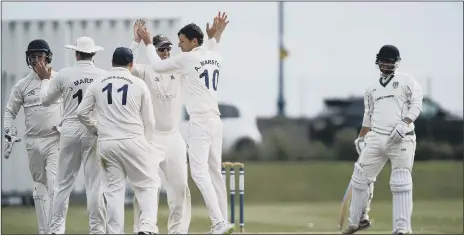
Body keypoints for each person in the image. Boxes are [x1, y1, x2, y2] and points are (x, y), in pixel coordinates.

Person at [129, 16, 228, 234]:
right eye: (161, 48)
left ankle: (179, 231)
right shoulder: (148, 69)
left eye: (170, 47)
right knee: (146, 187)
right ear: (155, 50)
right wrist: (137, 42)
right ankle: (144, 228)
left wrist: (212, 37)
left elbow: (199, 57)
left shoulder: (181, 65)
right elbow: (126, 67)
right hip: (152, 137)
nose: (167, 52)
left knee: (180, 189)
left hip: (174, 136)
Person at [76, 47, 163, 235]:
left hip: (107, 144)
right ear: (131, 64)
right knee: (148, 184)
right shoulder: (138, 84)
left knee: (114, 191)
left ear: (112, 63)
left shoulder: (98, 83)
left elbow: (81, 113)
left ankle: (115, 232)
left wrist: (96, 128)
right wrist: (148, 144)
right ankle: (147, 226)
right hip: (134, 140)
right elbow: (149, 121)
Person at [344, 45, 423, 235]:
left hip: (401, 139)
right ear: (378, 61)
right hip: (376, 138)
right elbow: (368, 115)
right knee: (360, 177)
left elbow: (417, 104)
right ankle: (358, 220)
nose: (386, 64)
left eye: (389, 61)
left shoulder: (407, 81)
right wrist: (362, 137)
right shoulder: (371, 88)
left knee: (400, 181)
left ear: (396, 62)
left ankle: (402, 229)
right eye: (383, 61)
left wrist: (405, 123)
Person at [39, 36, 107, 234]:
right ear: (93, 54)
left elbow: (45, 101)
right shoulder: (102, 75)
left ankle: (56, 230)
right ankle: (97, 230)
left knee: (63, 184)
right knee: (94, 184)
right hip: (92, 129)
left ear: (76, 53)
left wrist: (45, 80)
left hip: (69, 129)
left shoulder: (64, 74)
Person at [3, 39, 62, 234]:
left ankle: (56, 230)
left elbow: (73, 105)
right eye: (33, 57)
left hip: (55, 139)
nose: (37, 61)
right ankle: (44, 230)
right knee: (39, 189)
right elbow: (10, 112)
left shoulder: (59, 79)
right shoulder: (22, 85)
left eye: (40, 56)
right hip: (33, 141)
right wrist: (9, 131)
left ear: (48, 57)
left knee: (54, 186)